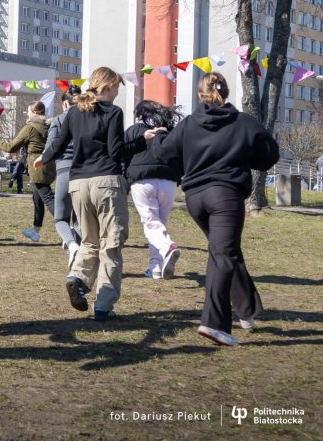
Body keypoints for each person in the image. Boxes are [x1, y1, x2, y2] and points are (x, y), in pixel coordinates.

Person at [158, 73, 279, 346]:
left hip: (195, 198)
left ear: (200, 94)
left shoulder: (188, 124)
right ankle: (214, 324)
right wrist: (246, 157)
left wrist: (160, 140)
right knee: (222, 255)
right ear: (225, 92)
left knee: (226, 250)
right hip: (225, 196)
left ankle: (247, 310)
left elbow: (164, 153)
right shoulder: (244, 123)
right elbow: (271, 154)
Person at [37, 67, 159, 321]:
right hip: (107, 183)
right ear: (106, 86)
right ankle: (104, 305)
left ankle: (78, 278)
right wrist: (141, 141)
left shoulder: (73, 112)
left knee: (90, 241)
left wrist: (43, 158)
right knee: (111, 244)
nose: (117, 93)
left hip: (78, 183)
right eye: (116, 87)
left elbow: (58, 144)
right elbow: (116, 152)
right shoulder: (113, 112)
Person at [124, 100, 184, 280]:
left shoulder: (135, 131)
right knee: (159, 225)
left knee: (151, 223)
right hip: (168, 181)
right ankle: (155, 267)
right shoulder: (171, 132)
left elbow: (122, 153)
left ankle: (167, 248)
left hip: (142, 180)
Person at [0, 101, 56, 243]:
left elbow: (11, 147)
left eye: (28, 111)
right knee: (37, 198)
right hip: (49, 163)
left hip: (37, 165)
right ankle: (35, 232)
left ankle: (68, 228)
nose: (27, 113)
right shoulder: (50, 125)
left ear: (34, 112)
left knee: (47, 198)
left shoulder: (30, 127)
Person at [40, 85, 84, 268]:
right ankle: (82, 255)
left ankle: (72, 245)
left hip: (64, 170)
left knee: (60, 218)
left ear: (65, 104)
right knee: (80, 219)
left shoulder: (58, 120)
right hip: (84, 172)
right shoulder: (88, 119)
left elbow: (51, 147)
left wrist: (43, 161)